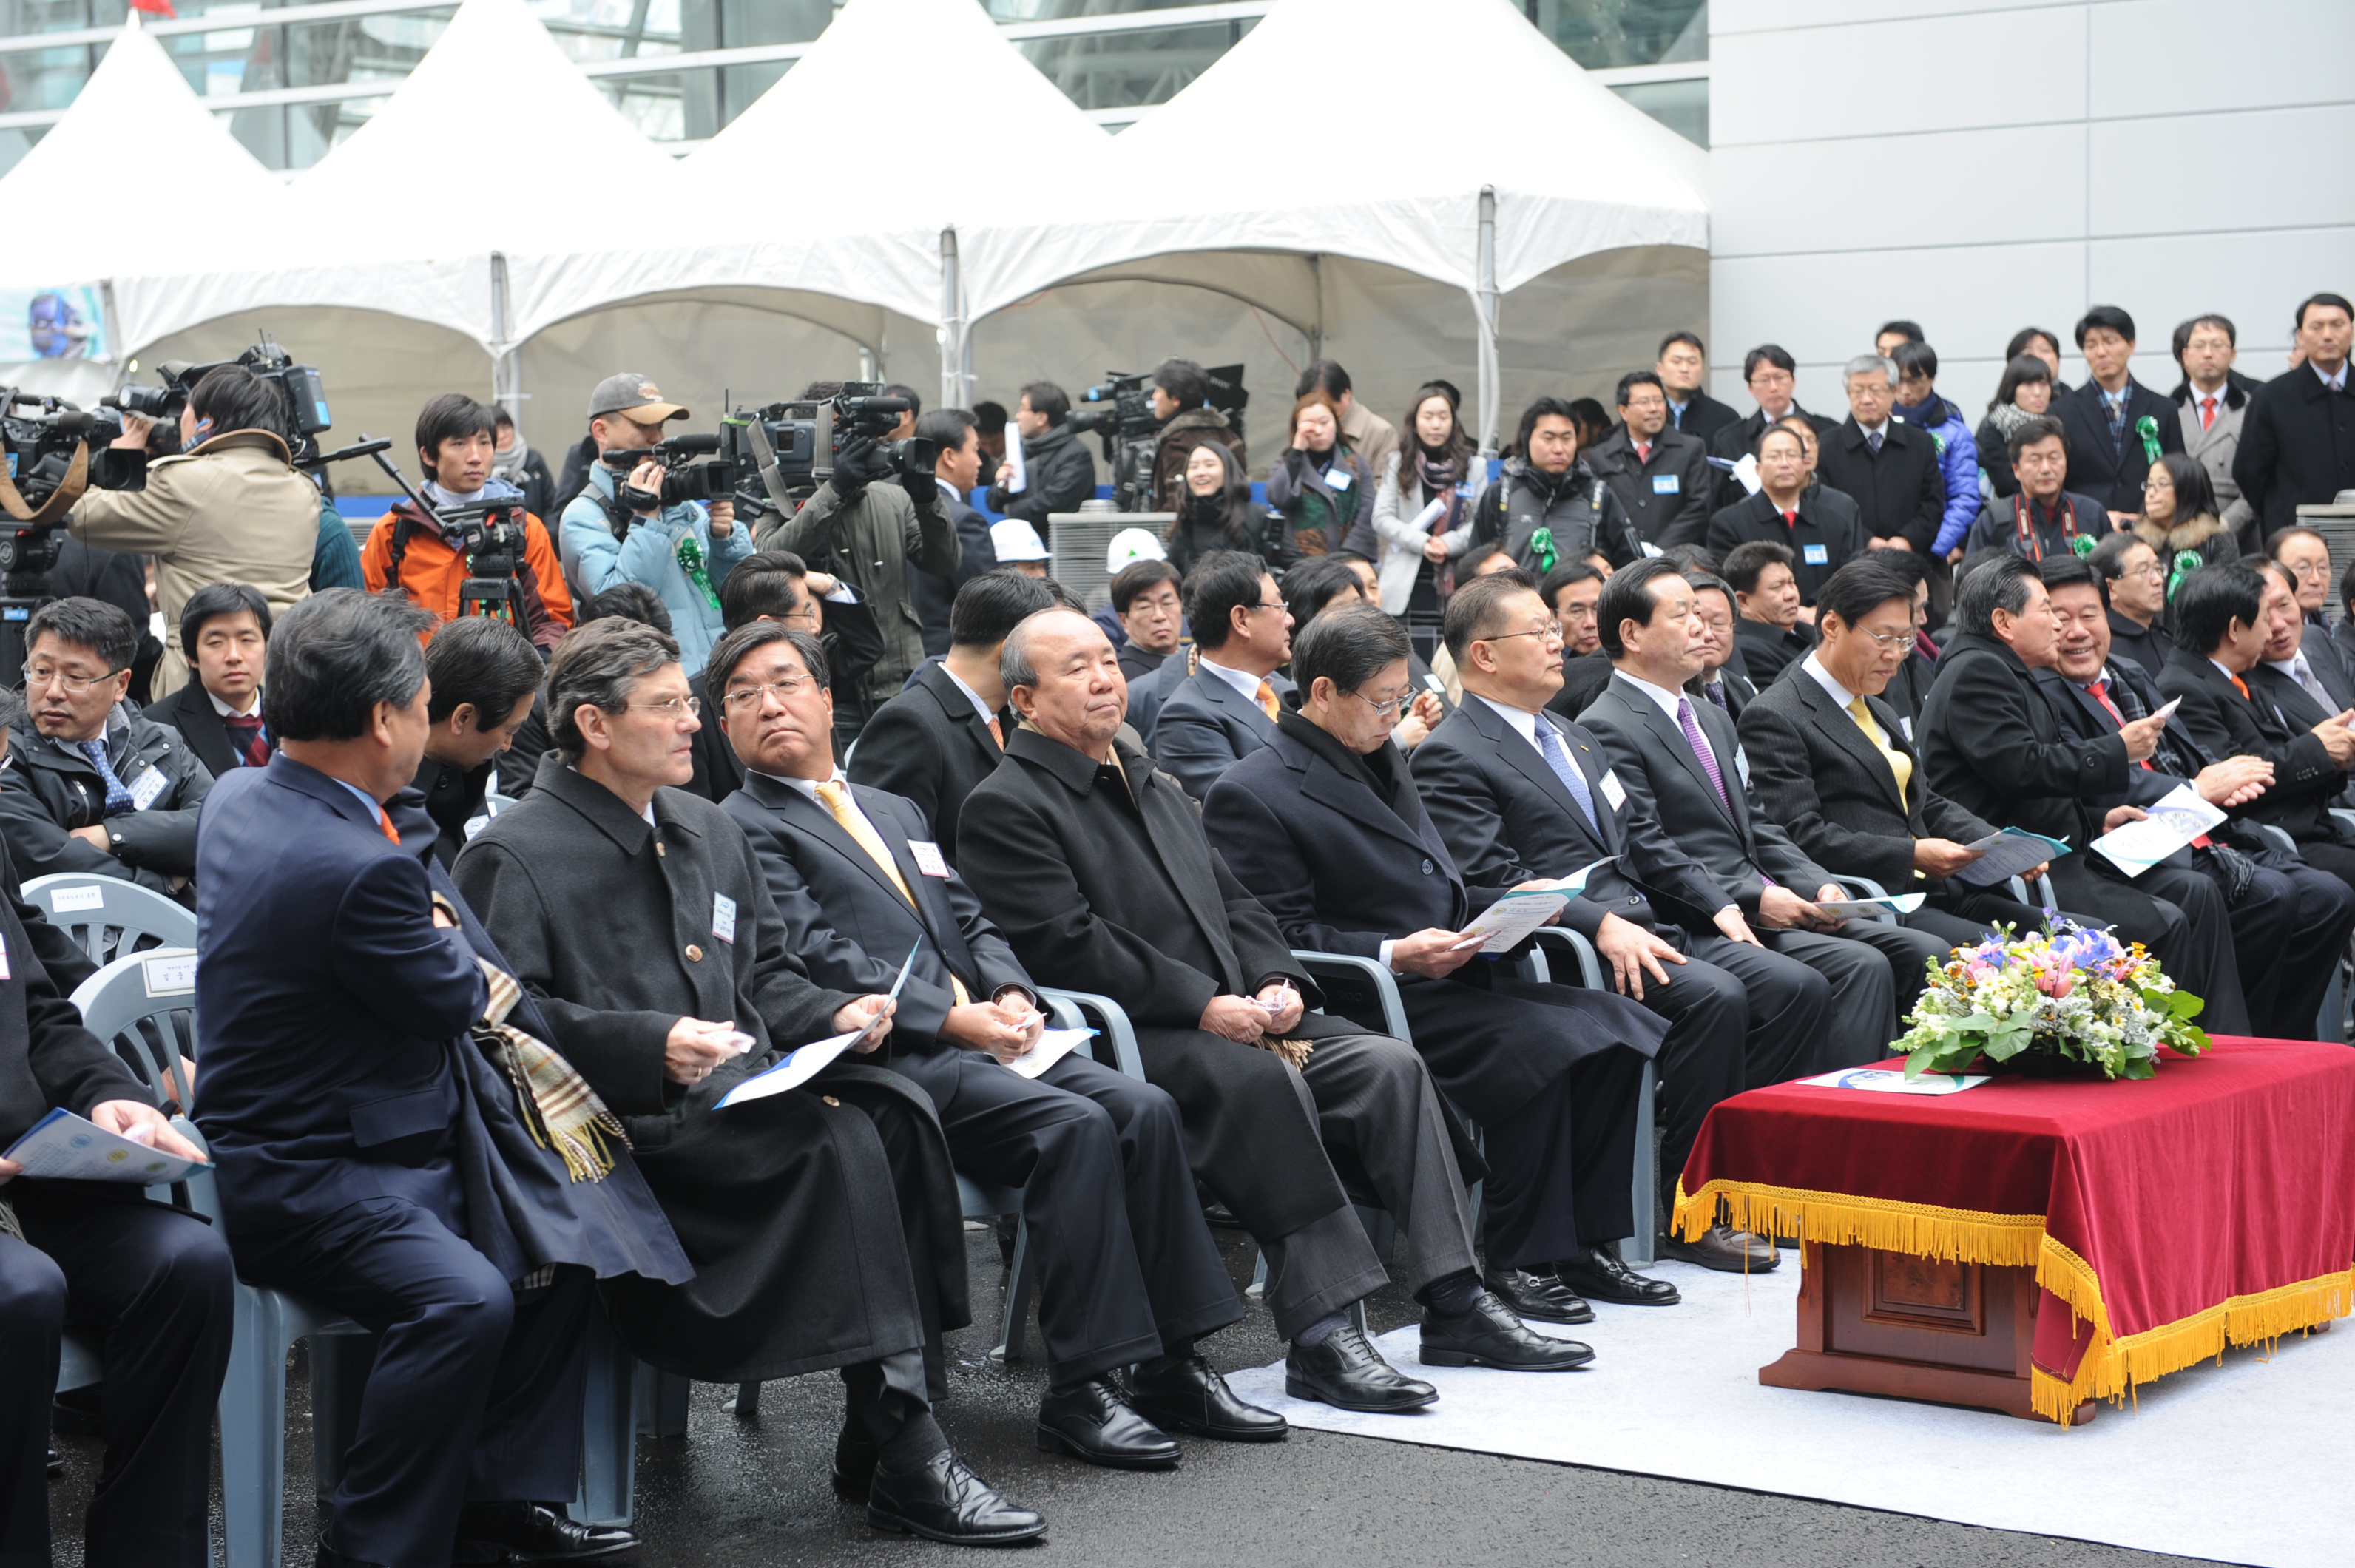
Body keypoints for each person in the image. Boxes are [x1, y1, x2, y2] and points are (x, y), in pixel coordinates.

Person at [454, 618, 1044, 1545]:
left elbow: (765, 971)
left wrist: (831, 1014)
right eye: (670, 706)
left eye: (690, 704)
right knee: (844, 1137)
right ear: (594, 726)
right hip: (624, 1138)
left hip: (739, 1103)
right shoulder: (516, 850)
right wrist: (648, 1043)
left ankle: (886, 1423)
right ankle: (906, 1441)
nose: (694, 723)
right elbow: (504, 1024)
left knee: (896, 1112)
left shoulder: (701, 823)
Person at [959, 606, 1581, 1411]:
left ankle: (1456, 1297)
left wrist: (1279, 978)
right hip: (1134, 1032)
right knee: (1261, 1084)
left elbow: (1239, 902)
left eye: (1107, 661)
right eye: (1074, 667)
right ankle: (1322, 1333)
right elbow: (1066, 944)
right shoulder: (1006, 803)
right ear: (1024, 702)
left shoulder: (1146, 775)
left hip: (1244, 1009)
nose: (1105, 678)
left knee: (1388, 1064)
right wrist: (1204, 1000)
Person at [195, 590, 688, 1568]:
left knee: (566, 1242)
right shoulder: (359, 867)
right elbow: (464, 992)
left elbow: (444, 938)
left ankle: (494, 1505)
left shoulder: (248, 793)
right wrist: (445, 940)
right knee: (466, 1297)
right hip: (321, 1169)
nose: (431, 722)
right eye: (421, 706)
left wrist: (432, 905)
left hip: (317, 1130)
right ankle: (375, 1545)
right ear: (384, 721)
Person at [714, 622, 1284, 1464]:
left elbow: (967, 914)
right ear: (723, 724)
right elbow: (814, 955)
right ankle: (1082, 1385)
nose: (769, 705)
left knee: (1145, 1107)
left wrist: (1011, 989)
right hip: (893, 1055)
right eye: (742, 695)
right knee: (1074, 1126)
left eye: (786, 683)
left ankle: (1170, 1358)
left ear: (828, 699)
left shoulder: (889, 805)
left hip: (985, 1035)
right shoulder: (741, 823)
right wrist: (953, 1019)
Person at [1202, 601, 1685, 1314]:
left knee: (1617, 1029)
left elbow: (1437, 879)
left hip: (1451, 970)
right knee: (1545, 1045)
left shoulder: (1381, 752)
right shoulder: (1253, 788)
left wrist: (1527, 902)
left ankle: (1587, 1243)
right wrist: (1396, 953)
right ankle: (1521, 1255)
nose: (1394, 714)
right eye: (1381, 701)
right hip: (1366, 997)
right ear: (1324, 692)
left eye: (1402, 696)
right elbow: (1277, 935)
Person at [1410, 572, 1814, 1271]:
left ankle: (1760, 1190)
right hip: (1567, 946)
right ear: (1483, 655)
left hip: (1651, 923)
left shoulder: (1571, 735)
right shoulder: (1454, 751)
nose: (1558, 641)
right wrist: (1598, 922)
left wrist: (1718, 900)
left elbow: (1644, 843)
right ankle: (1692, 1211)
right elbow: (1491, 880)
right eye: (1537, 632)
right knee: (1714, 999)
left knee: (1794, 985)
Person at [1581, 559, 1927, 1068]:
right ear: (1632, 633)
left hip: (1765, 899)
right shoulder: (1604, 724)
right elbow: (1647, 845)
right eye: (1683, 616)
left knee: (1917, 950)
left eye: (1700, 613)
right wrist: (1754, 897)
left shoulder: (1710, 717)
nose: (1701, 627)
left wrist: (1816, 882)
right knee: (1858, 966)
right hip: (1704, 913)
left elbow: (1759, 821)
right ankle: (1829, 1118)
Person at [0, 813, 228, 1568]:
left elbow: (39, 1006)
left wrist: (109, 1094)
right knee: (22, 1292)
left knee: (185, 1266)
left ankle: (148, 1549)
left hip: (29, 1174)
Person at [1916, 553, 2252, 1034]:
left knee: (2195, 891)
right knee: (2169, 920)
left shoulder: (2003, 667)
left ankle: (2226, 1042)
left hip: (2064, 849)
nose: (2058, 624)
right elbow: (2022, 770)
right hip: (2016, 868)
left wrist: (2099, 818)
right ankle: (2162, 1054)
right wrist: (2119, 748)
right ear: (2004, 622)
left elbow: (2028, 777)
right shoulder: (1978, 672)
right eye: (2048, 610)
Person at [2037, 557, 2355, 1040]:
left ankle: (2276, 1037)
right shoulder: (2043, 695)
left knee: (2328, 898)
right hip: (2135, 837)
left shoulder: (2127, 672)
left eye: (2091, 615)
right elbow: (2090, 781)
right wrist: (2202, 788)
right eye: (2063, 619)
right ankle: (2240, 1038)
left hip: (2202, 825)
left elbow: (2192, 759)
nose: (2079, 632)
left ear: (2108, 615)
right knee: (2269, 896)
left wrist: (2219, 781)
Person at [1740, 558, 2047, 951]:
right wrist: (1912, 855)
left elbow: (1925, 801)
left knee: (2070, 937)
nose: (1897, 655)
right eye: (1883, 638)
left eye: (1905, 640)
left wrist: (1998, 842)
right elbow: (1800, 833)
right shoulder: (1776, 713)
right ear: (1832, 626)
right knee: (2003, 960)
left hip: (1943, 889)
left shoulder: (1876, 707)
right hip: (1881, 900)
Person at [77, 363, 319, 698]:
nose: (178, 425)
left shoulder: (184, 482)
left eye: (184, 414)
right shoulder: (303, 489)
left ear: (205, 421)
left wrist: (121, 458)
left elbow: (83, 516)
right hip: (288, 677)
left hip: (202, 686)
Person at [758, 380, 962, 726]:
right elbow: (770, 558)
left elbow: (943, 562)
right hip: (835, 688)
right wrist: (834, 489)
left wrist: (927, 498)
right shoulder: (782, 497)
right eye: (845, 434)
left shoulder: (892, 499)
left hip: (904, 682)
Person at [0, 598, 211, 898]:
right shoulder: (7, 755)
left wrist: (113, 835)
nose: (54, 692)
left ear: (121, 684)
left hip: (176, 935)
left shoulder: (161, 743)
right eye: (41, 671)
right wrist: (162, 882)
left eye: (76, 678)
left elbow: (218, 827)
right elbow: (52, 861)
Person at [2163, 560, 2355, 888]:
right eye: (2265, 620)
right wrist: (2319, 749)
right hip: (2271, 842)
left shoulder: (2238, 675)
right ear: (2236, 629)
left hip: (2314, 826)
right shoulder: (2185, 688)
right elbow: (2237, 778)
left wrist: (2336, 756)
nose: (2272, 631)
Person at [848, 570, 1059, 865]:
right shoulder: (909, 723)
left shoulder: (1013, 717)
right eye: (1048, 647)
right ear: (1010, 648)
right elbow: (895, 853)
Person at [560, 373, 750, 676]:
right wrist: (646, 520)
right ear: (601, 430)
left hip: (717, 676)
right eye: (643, 425)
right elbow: (619, 608)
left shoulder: (681, 502)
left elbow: (735, 595)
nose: (656, 438)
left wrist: (723, 537)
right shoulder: (584, 514)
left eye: (660, 426)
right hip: (651, 685)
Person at [363, 393, 576, 653]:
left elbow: (553, 619)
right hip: (418, 685)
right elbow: (370, 620)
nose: (476, 456)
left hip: (502, 685)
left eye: (484, 443)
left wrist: (533, 676)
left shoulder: (524, 528)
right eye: (459, 444)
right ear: (429, 455)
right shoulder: (394, 530)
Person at [1151, 552, 1295, 799]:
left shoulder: (1286, 691)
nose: (1290, 620)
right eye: (1280, 607)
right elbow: (1242, 803)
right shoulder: (1188, 715)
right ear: (1241, 620)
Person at [410, 616, 541, 868]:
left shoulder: (469, 772)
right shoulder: (390, 804)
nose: (506, 746)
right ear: (463, 717)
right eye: (509, 731)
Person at [1368, 382, 1480, 658]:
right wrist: (1424, 543)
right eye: (1428, 416)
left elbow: (1480, 523)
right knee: (1406, 662)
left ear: (1454, 422)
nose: (1436, 424)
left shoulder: (1472, 466)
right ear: (1414, 422)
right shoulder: (1399, 462)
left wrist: (1448, 543)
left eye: (1443, 416)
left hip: (1455, 580)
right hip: (1408, 579)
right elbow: (1381, 517)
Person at [1471, 397, 1643, 575]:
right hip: (1516, 601)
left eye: (1567, 438)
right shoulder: (1501, 494)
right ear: (1527, 439)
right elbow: (1475, 564)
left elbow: (1631, 567)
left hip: (1581, 602)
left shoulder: (1598, 495)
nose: (1559, 448)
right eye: (1549, 438)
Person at [2234, 293, 2355, 541]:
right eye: (2316, 327)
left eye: (2338, 325)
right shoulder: (2271, 397)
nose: (2328, 335)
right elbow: (2249, 471)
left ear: (2352, 331)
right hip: (2295, 537)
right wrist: (2279, 513)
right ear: (2300, 336)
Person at [1707, 423, 1868, 604]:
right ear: (1758, 468)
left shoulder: (1835, 524)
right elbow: (1731, 588)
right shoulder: (1729, 524)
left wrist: (1815, 610)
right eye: (1774, 456)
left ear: (1805, 463)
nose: (1784, 464)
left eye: (1792, 455)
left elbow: (1846, 579)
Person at [2053, 305, 2186, 521]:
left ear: (2131, 345)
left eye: (2110, 341)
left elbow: (2178, 474)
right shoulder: (2062, 411)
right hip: (2086, 530)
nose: (2101, 352)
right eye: (2091, 345)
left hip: (2151, 524)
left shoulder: (2164, 409)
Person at [1814, 354, 1945, 555]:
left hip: (1910, 557)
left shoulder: (1920, 443)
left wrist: (1908, 539)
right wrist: (1865, 539)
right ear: (1848, 393)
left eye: (1875, 390)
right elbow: (1822, 505)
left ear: (1893, 392)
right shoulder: (1826, 446)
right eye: (1858, 391)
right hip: (1849, 560)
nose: (1866, 399)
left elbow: (1933, 503)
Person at [142, 581, 273, 777]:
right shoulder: (155, 726)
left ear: (266, 647)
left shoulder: (295, 715)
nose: (234, 656)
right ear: (192, 656)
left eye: (247, 640)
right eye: (216, 643)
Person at [1587, 370, 1712, 550]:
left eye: (1659, 400)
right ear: (1623, 411)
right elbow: (1598, 514)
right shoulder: (1601, 456)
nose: (1653, 408)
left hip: (1677, 558)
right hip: (1622, 561)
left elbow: (1698, 507)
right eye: (1644, 402)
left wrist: (1660, 550)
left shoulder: (1690, 448)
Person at [910, 408, 999, 658]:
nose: (980, 460)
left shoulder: (893, 504)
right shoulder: (963, 520)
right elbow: (989, 606)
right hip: (947, 662)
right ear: (949, 456)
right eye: (974, 450)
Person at [1963, 416, 2112, 561]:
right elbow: (1972, 581)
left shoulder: (2092, 513)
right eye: (2035, 460)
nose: (2046, 469)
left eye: (2054, 458)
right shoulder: (1993, 520)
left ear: (2066, 461)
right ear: (2016, 469)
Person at [1707, 344, 1837, 510]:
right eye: (1764, 380)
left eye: (1780, 377)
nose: (1773, 387)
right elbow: (1718, 501)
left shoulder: (1827, 431)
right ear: (1750, 388)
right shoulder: (1729, 440)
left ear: (1793, 381)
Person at [2169, 314, 2258, 547]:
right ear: (2185, 356)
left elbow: (2258, 480)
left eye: (2217, 345)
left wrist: (2221, 529)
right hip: (2178, 532)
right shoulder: (2167, 410)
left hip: (2238, 534)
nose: (2208, 353)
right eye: (2199, 346)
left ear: (2233, 354)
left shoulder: (2253, 409)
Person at [1891, 340, 1981, 563]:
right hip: (1880, 548)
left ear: (1932, 378)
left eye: (1914, 381)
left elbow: (1964, 497)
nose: (1905, 391)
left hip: (1931, 551)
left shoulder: (1954, 432)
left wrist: (1935, 548)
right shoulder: (1877, 425)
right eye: (1898, 381)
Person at [1266, 392, 1376, 561]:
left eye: (1325, 422)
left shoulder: (1356, 464)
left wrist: (1348, 557)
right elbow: (1278, 497)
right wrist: (1297, 451)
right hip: (1300, 563)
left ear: (1336, 424)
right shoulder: (1287, 463)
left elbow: (1367, 513)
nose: (1318, 431)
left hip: (1349, 561)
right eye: (1309, 426)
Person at [984, 382, 1096, 547]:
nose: (1017, 416)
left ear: (1042, 418)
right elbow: (993, 503)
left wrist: (1011, 510)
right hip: (1022, 549)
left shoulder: (1077, 455)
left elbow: (1054, 503)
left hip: (1061, 551)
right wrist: (1003, 488)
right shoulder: (1023, 451)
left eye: (1023, 409)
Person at [1149, 359, 1247, 513]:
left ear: (1175, 399)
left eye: (1158, 390)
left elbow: (1176, 506)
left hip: (1190, 534)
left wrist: (1156, 530)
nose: (1154, 397)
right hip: (1233, 528)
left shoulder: (1178, 443)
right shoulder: (1231, 436)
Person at [2135, 452, 2238, 595]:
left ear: (2188, 489)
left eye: (2162, 484)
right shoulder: (2137, 541)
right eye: (2149, 484)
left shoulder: (2218, 540)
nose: (2151, 493)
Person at [1723, 540, 1814, 682]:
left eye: (1791, 583)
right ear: (1743, 601)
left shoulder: (1807, 630)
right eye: (1777, 587)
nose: (1791, 594)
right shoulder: (1745, 651)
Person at [2087, 532, 2175, 676]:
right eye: (2143, 571)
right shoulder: (2105, 648)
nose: (2158, 580)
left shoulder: (2165, 636)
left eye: (2158, 569)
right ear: (2111, 588)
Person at [1297, 359, 1399, 483]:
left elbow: (1385, 487)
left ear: (1346, 393)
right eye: (1310, 404)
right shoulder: (1306, 429)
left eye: (1325, 403)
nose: (1318, 409)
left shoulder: (1382, 433)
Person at [1978, 352, 2057, 500]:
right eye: (2028, 385)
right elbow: (2005, 482)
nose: (2038, 393)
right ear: (2012, 389)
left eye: (2044, 384)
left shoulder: (2060, 422)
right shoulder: (1997, 424)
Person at [1684, 571, 1759, 720]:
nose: (1707, 635)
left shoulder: (1742, 687)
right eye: (1697, 623)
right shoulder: (1671, 695)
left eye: (1718, 623)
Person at [1656, 330, 1738, 447]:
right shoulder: (1646, 414)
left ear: (1702, 370)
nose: (1684, 368)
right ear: (1660, 369)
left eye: (1692, 362)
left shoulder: (1725, 418)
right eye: (1676, 361)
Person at [490, 407, 555, 523]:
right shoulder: (483, 466)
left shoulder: (533, 459)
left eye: (506, 428)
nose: (502, 436)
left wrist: (546, 533)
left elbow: (552, 504)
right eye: (495, 431)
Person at [2007, 326, 2071, 397]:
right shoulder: (2001, 407)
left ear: (2058, 359)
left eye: (2045, 350)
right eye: (2028, 352)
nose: (2037, 356)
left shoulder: (2075, 403)